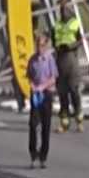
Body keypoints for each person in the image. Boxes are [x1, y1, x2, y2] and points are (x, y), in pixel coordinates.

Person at [27, 32, 58, 169]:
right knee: (33, 125)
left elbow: (53, 78)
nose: (39, 48)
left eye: (41, 46)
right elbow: (29, 76)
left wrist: (42, 87)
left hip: (46, 93)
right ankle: (33, 154)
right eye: (37, 45)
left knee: (46, 126)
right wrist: (33, 85)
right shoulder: (32, 60)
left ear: (46, 46)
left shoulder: (50, 59)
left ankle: (43, 156)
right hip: (35, 94)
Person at [53, 3, 84, 133]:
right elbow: (53, 40)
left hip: (71, 58)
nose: (63, 12)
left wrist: (71, 46)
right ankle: (64, 122)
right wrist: (57, 47)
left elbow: (81, 40)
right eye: (61, 10)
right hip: (60, 59)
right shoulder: (56, 25)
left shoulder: (75, 23)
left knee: (74, 91)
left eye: (66, 10)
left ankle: (79, 119)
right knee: (62, 93)